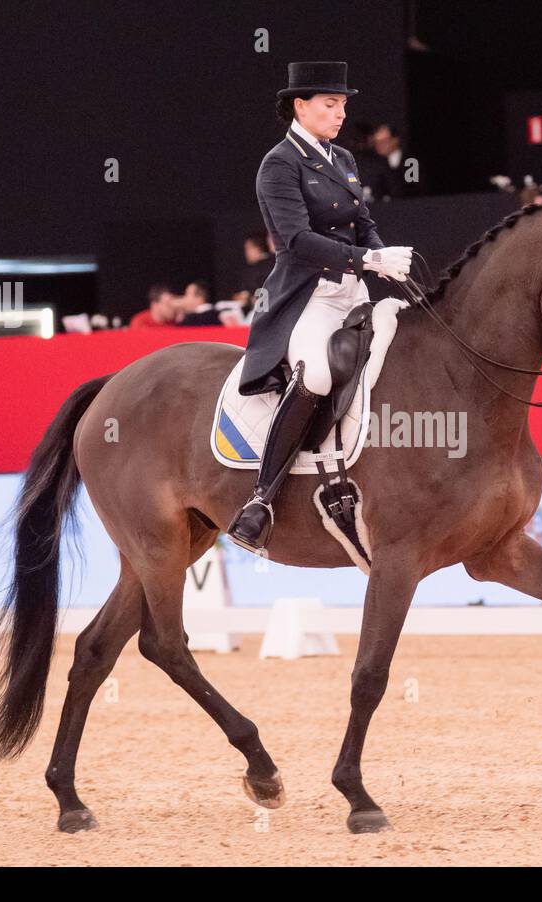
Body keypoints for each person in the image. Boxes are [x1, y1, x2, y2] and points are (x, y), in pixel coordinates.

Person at [227, 61, 414, 551]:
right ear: (300, 106)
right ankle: (261, 500)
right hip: (309, 294)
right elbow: (296, 239)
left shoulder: (345, 159)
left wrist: (383, 257)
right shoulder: (279, 164)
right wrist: (367, 257)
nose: (340, 114)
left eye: (344, 105)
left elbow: (361, 220)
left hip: (354, 290)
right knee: (314, 375)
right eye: (331, 105)